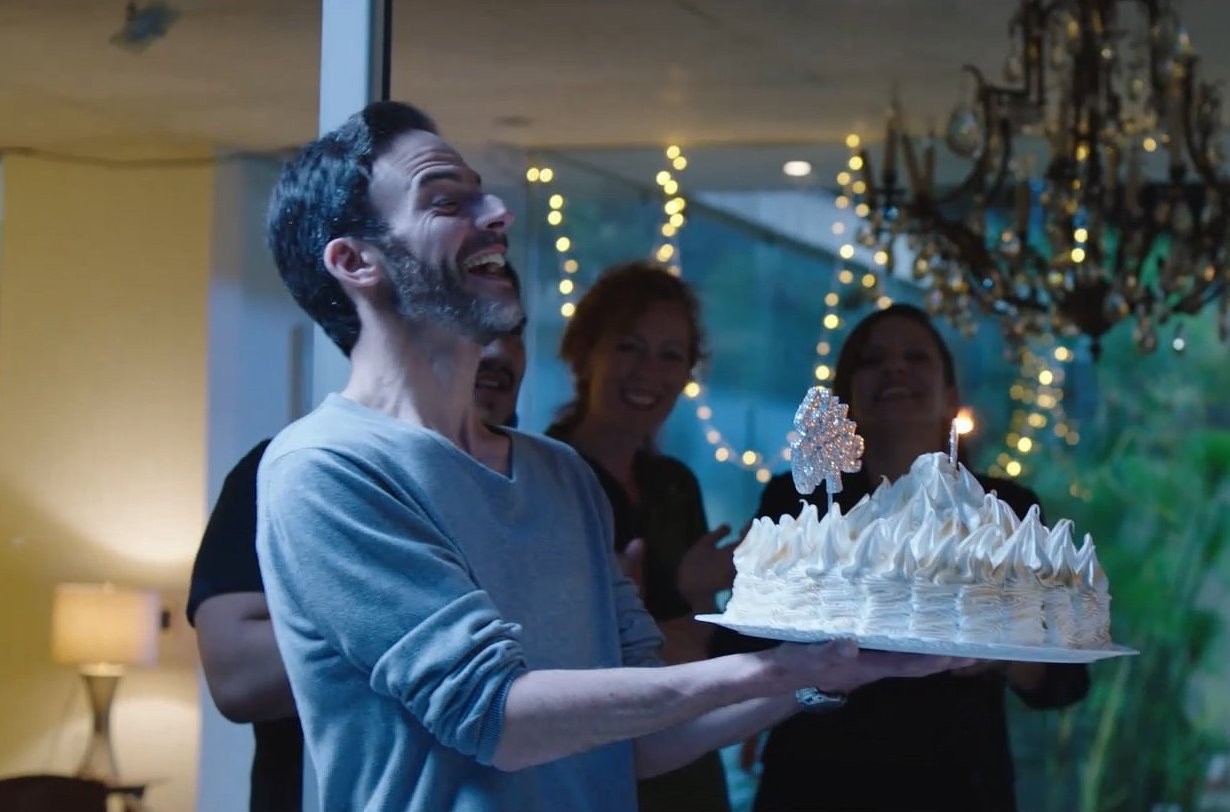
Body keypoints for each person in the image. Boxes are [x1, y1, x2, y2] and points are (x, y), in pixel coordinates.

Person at [254, 100, 962, 812]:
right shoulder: (326, 469)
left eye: (484, 194)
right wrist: (780, 667)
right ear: (356, 261)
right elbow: (497, 718)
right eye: (445, 200)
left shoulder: (561, 474)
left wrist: (839, 671)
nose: (496, 212)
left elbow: (642, 741)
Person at [715, 304, 1091, 812]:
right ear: (847, 396)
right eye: (873, 360)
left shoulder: (1004, 510)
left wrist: (1002, 653)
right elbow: (739, 649)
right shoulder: (800, 502)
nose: (895, 368)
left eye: (916, 357)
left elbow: (1066, 680)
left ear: (950, 395)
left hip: (958, 783)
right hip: (816, 778)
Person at [187, 270, 528, 812]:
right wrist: (441, 625)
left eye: (510, 328)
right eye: (466, 322)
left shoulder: (554, 484)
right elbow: (237, 678)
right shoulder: (297, 469)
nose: (495, 351)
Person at [546, 261, 734, 811]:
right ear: (585, 352)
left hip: (686, 754)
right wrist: (663, 635)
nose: (649, 371)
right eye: (629, 346)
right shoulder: (540, 473)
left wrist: (699, 599)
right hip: (586, 760)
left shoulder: (674, 485)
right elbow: (555, 652)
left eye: (671, 355)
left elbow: (702, 643)